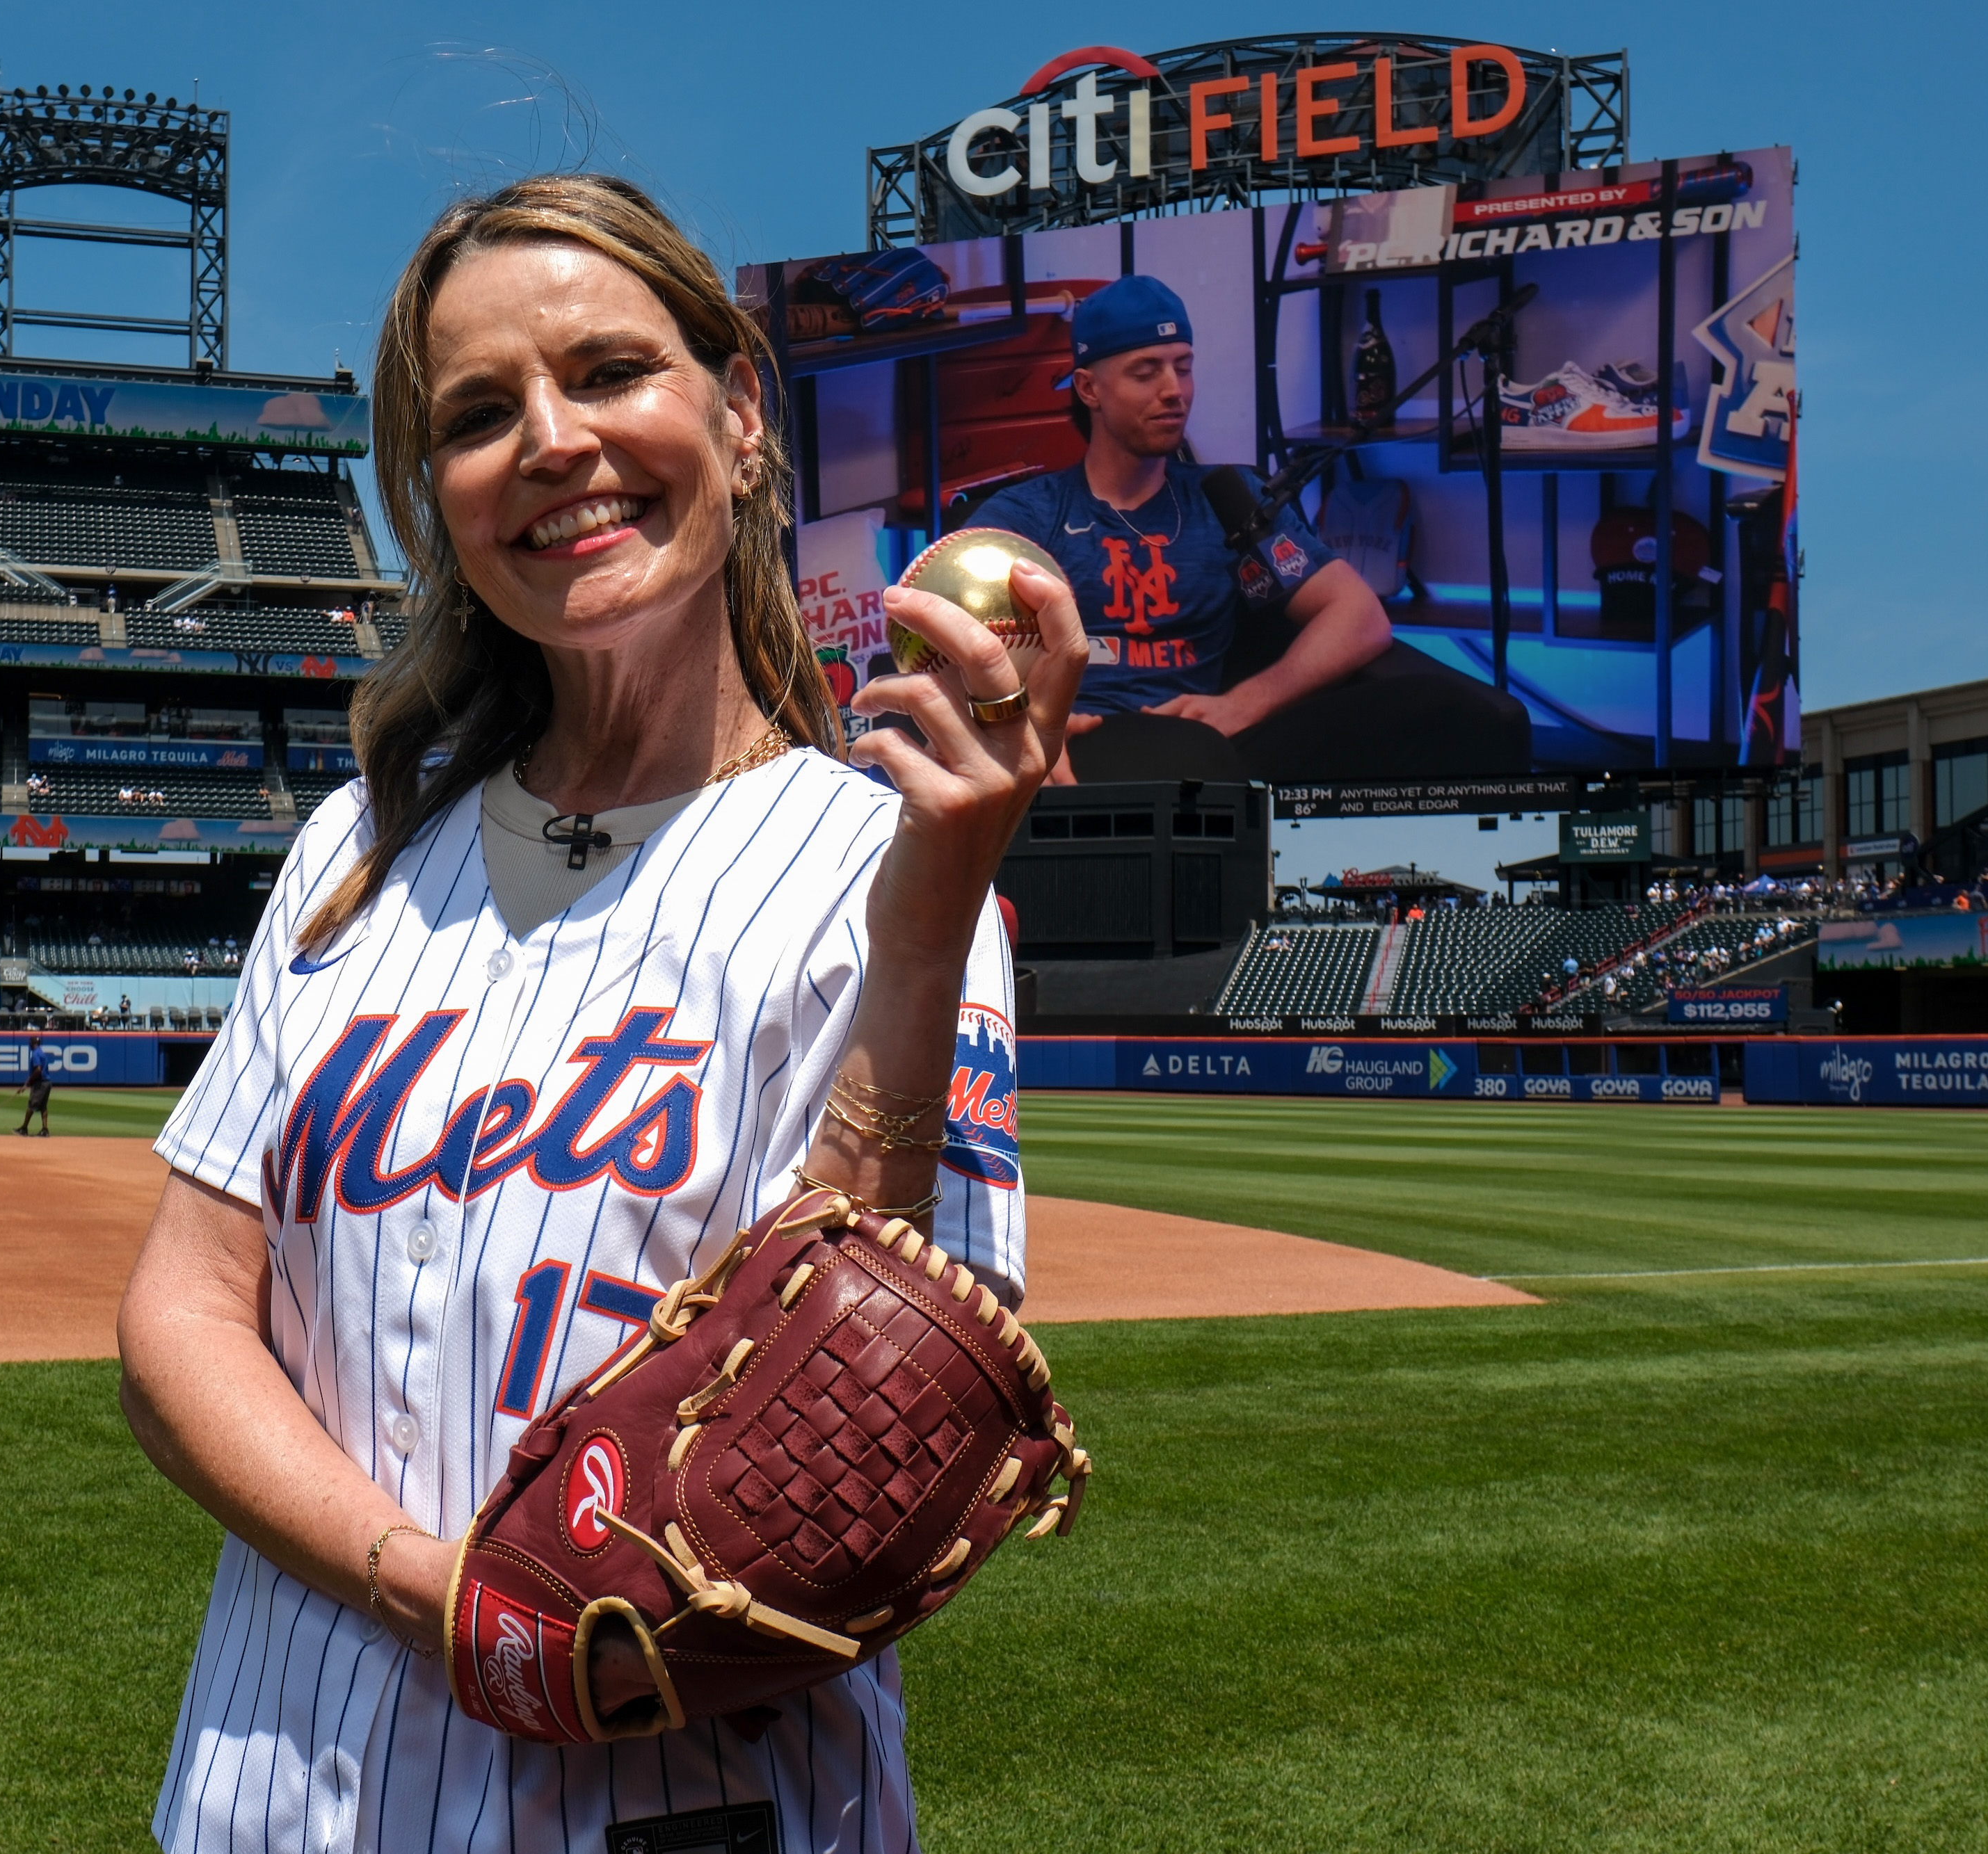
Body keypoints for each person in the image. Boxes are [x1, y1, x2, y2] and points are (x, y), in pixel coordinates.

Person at [114, 175, 1080, 1854]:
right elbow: (179, 1320)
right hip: (270, 1779)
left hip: (674, 1801)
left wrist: (923, 927)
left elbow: (871, 1407)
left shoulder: (891, 860)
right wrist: (431, 1591)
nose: (551, 442)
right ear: (437, 502)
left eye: (610, 371)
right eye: (479, 414)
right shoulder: (358, 846)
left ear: (740, 410)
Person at [974, 275, 1528, 784]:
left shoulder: (1228, 499)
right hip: (1091, 743)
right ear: (1090, 390)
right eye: (1146, 372)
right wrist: (1025, 722)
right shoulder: (1030, 512)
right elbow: (943, 633)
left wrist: (1246, 702)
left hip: (1217, 734)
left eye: (1183, 366)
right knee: (1184, 760)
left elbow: (1359, 617)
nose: (1175, 390)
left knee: (1457, 715)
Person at [14, 1033, 54, 1136]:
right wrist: (26, 1085)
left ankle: (24, 1128)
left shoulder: (36, 1054)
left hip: (40, 1083)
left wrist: (28, 1082)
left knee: (32, 1105)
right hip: (47, 1082)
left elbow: (38, 1070)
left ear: (32, 1044)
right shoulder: (42, 1053)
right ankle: (45, 1130)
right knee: (43, 1107)